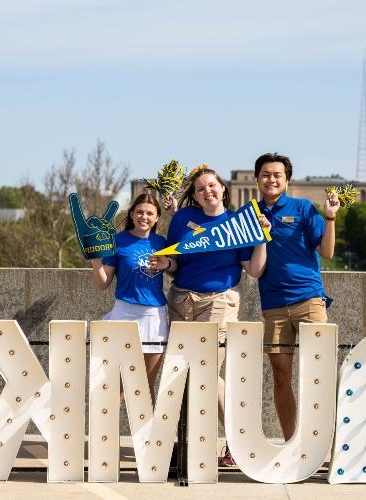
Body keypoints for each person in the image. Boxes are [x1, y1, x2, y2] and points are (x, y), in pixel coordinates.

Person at [151, 164, 270, 466]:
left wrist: (262, 238)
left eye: (212, 185)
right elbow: (175, 263)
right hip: (181, 299)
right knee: (181, 373)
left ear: (223, 188)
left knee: (204, 372)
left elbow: (254, 270)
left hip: (219, 302)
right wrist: (165, 265)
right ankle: (187, 443)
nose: (208, 191)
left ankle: (239, 439)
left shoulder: (238, 223)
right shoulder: (183, 218)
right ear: (195, 195)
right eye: (201, 188)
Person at [253, 152, 339, 442]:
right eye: (266, 174)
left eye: (277, 175)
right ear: (257, 179)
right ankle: (293, 442)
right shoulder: (250, 214)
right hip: (274, 305)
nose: (271, 179)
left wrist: (330, 218)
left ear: (286, 180)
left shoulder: (302, 208)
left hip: (308, 299)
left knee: (320, 373)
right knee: (280, 377)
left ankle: (323, 441)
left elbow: (327, 252)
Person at [92, 193, 171, 403]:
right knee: (117, 385)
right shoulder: (118, 241)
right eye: (140, 212)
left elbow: (175, 268)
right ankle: (106, 435)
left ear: (156, 218)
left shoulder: (161, 242)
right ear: (132, 214)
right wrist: (96, 261)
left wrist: (167, 264)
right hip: (124, 313)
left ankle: (149, 436)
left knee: (145, 386)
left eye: (149, 213)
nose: (144, 216)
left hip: (154, 316)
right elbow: (103, 283)